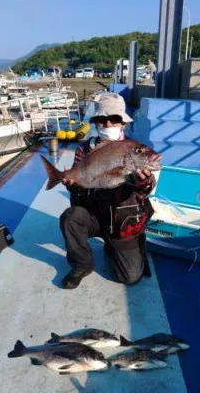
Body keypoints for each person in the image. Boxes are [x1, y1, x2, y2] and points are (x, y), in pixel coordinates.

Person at [59, 92, 158, 289]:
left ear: (123, 123)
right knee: (70, 217)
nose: (108, 125)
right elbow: (80, 183)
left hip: (122, 222)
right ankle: (82, 264)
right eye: (102, 120)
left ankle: (119, 246)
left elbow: (147, 189)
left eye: (114, 120)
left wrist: (142, 183)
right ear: (96, 123)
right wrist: (72, 184)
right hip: (94, 216)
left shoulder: (134, 148)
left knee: (130, 278)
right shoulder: (83, 149)